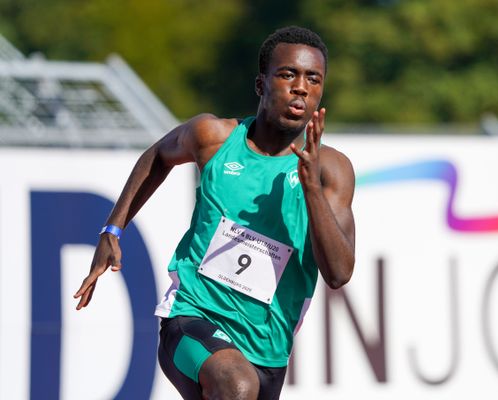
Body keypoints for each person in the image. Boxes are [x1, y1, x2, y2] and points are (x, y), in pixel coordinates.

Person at [74, 26, 355, 400]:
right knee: (237, 386)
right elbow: (158, 156)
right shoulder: (214, 138)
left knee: (244, 385)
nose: (300, 87)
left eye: (313, 79)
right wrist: (113, 228)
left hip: (266, 351)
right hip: (193, 318)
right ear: (261, 84)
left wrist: (311, 190)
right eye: (287, 74)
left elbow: (338, 273)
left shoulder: (330, 171)